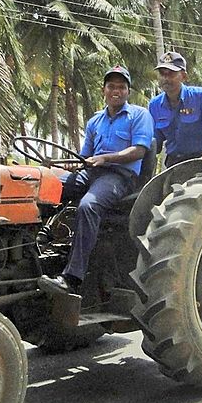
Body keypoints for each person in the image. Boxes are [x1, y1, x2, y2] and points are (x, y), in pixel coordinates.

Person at [38, 65, 154, 295]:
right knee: (46, 189)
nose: (116, 91)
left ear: (127, 92)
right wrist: (70, 164)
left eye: (122, 87)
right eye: (112, 86)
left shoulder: (139, 115)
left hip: (120, 176)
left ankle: (72, 277)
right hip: (91, 173)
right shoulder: (95, 121)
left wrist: (105, 158)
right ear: (104, 90)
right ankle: (37, 247)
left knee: (88, 206)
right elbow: (85, 156)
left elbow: (139, 151)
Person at [149, 51, 202, 167]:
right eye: (162, 74)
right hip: (174, 164)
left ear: (184, 76)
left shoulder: (201, 96)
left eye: (171, 74)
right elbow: (154, 143)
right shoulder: (154, 104)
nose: (166, 78)